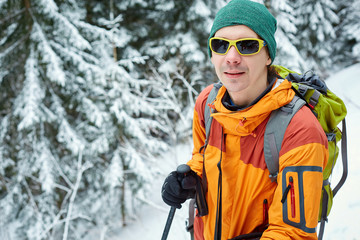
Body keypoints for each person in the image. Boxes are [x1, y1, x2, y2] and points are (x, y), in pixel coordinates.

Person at [161, 0, 328, 239]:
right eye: (220, 45)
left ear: (268, 55)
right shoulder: (208, 104)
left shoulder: (299, 129)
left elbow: (293, 233)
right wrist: (189, 177)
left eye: (247, 45)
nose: (231, 57)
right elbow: (202, 154)